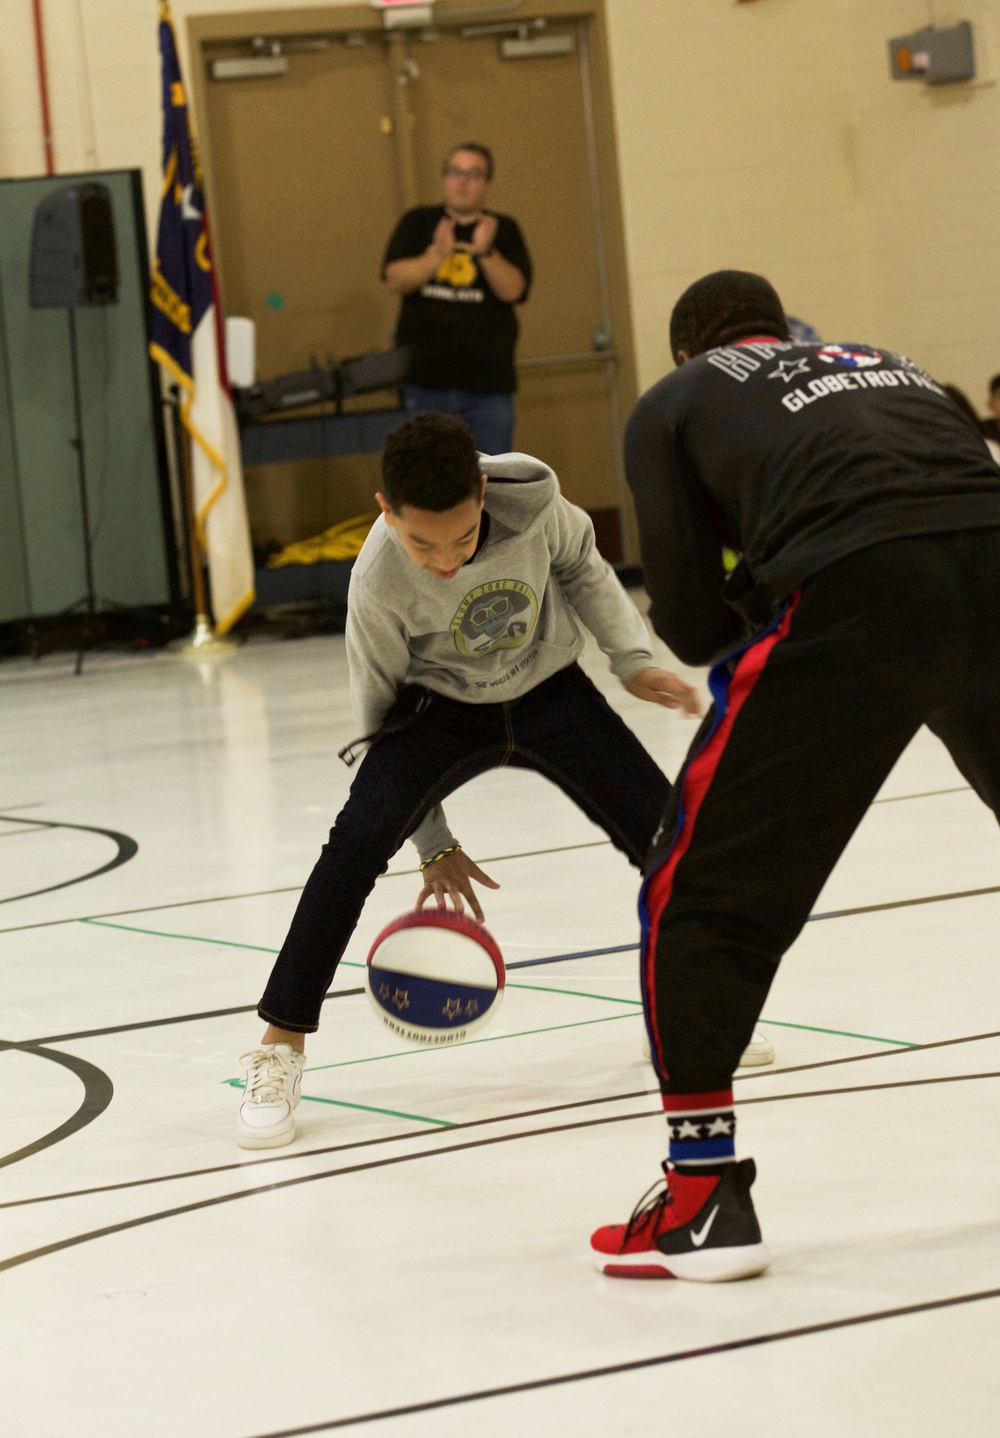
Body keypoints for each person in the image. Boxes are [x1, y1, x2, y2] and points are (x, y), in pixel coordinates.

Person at [590, 270, 1000, 1282]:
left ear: (690, 347)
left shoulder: (675, 401)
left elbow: (686, 625)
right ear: (780, 328)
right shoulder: (886, 360)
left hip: (860, 585)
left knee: (697, 893)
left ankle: (701, 1199)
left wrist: (753, 581)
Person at [234, 412, 707, 1147]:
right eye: (423, 542)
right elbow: (377, 715)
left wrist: (631, 659)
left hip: (550, 686)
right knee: (354, 844)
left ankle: (692, 1017)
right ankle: (278, 1045)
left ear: (482, 493)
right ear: (386, 510)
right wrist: (431, 838)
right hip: (436, 708)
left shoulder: (538, 508)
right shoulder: (377, 580)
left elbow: (582, 565)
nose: (446, 560)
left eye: (460, 537)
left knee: (667, 836)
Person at [382, 143, 531, 454]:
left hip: (489, 386)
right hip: (426, 382)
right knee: (427, 479)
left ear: (487, 184)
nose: (463, 181)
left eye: (474, 174)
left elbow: (514, 290)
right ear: (445, 178)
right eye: (456, 172)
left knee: (495, 482)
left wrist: (486, 252)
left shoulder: (503, 229)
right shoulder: (419, 222)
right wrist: (437, 253)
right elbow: (395, 278)